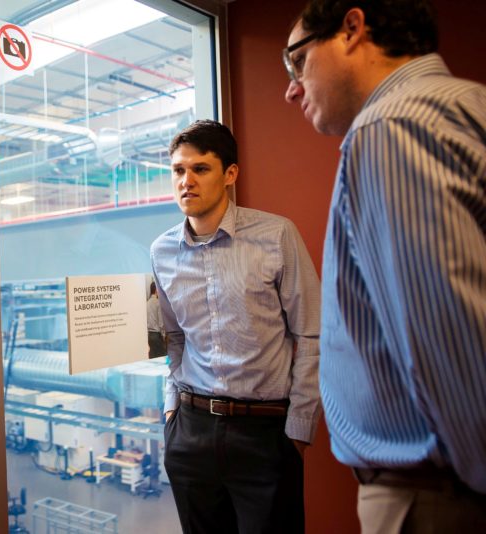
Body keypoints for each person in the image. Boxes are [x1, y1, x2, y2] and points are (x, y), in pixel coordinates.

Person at [283, 1, 486, 531]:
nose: (291, 90)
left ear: (352, 29)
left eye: (297, 61)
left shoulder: (389, 128)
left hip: (439, 496)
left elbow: (450, 343)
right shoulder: (468, 103)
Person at [151, 119, 321, 534]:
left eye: (200, 169)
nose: (186, 181)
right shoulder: (161, 251)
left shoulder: (276, 235)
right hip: (190, 430)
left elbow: (312, 334)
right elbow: (173, 338)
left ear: (230, 174)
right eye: (178, 170)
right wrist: (172, 410)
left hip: (265, 433)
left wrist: (298, 431)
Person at [146, 281, 166, 358]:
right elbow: (161, 323)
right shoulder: (158, 303)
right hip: (157, 335)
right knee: (162, 358)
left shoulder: (147, 303)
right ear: (156, 290)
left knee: (152, 358)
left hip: (149, 335)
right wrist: (163, 335)